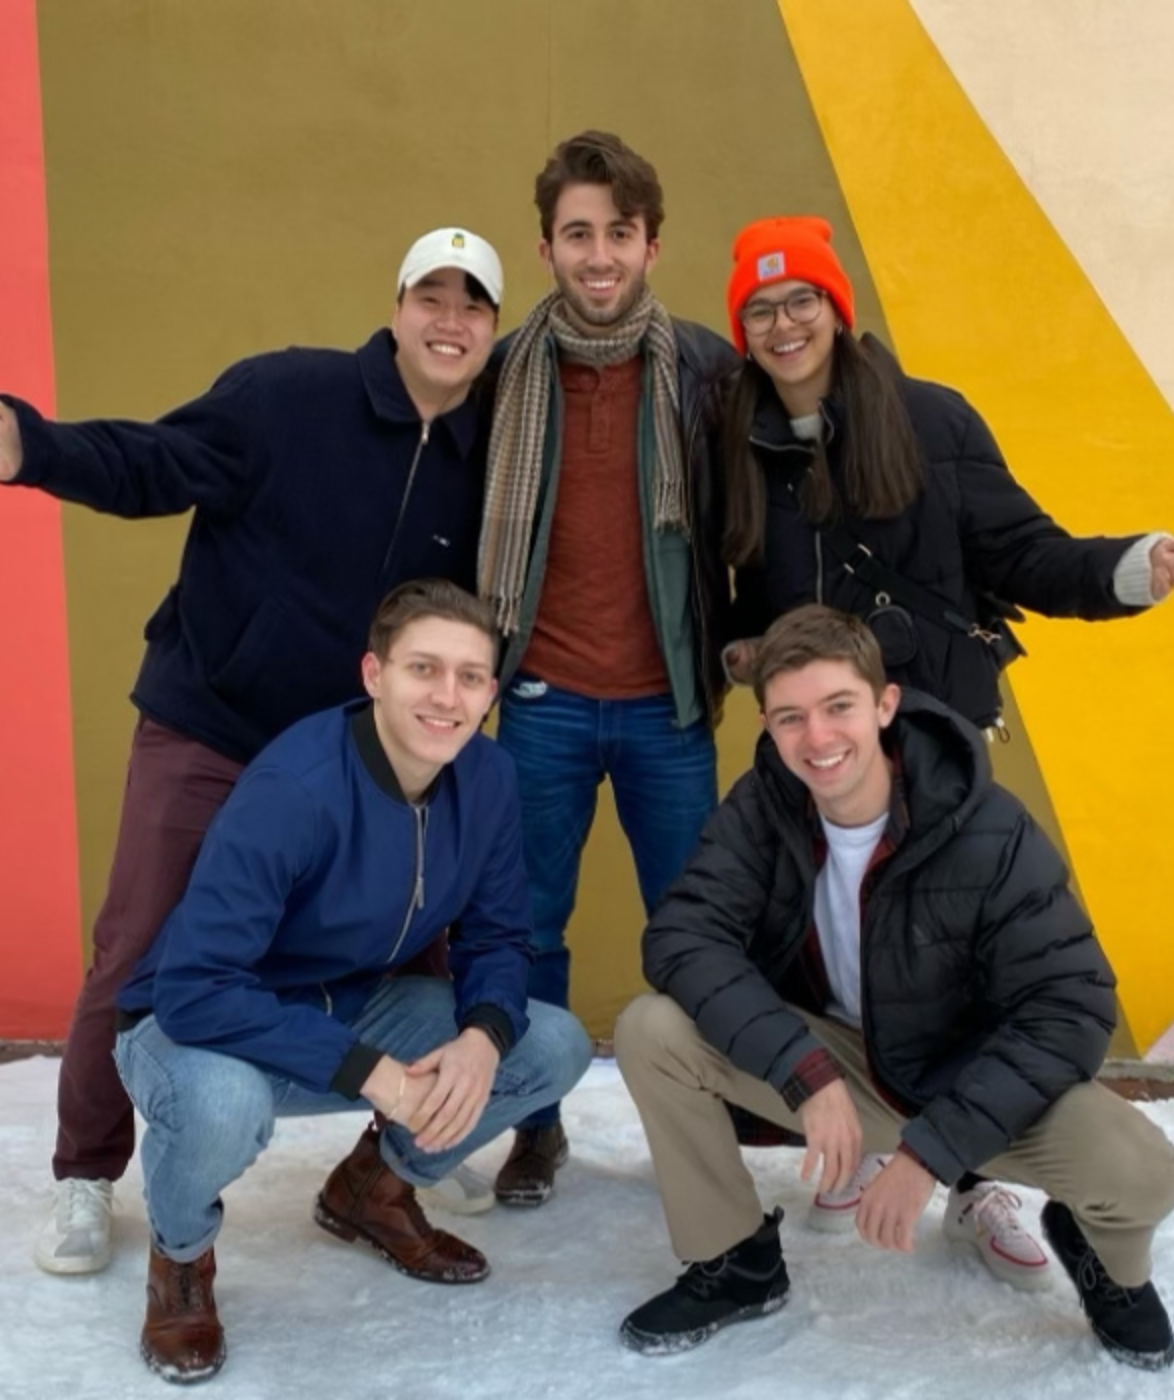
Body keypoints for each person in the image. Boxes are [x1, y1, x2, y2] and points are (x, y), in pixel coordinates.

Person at [0, 228, 506, 1274]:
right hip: (218, 722)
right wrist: (39, 449)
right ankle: (85, 1170)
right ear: (398, 305)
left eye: (475, 304)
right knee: (140, 940)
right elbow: (159, 458)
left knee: (418, 941)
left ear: (493, 330)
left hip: (358, 757)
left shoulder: (483, 462)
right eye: (434, 294)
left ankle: (402, 1152)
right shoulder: (288, 396)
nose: (451, 319)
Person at [714, 215, 1174, 1285]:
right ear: (740, 329)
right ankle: (865, 1136)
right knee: (832, 946)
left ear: (837, 309)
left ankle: (975, 1179)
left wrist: (1127, 568)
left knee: (963, 969)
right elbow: (739, 591)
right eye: (760, 307)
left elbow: (1022, 550)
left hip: (940, 740)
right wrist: (741, 646)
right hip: (824, 750)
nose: (784, 322)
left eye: (801, 298)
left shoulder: (928, 420)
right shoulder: (740, 448)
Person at [614, 606, 1174, 1371]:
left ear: (884, 706)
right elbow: (683, 937)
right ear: (768, 727)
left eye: (838, 707)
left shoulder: (987, 827)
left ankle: (1096, 1251)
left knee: (1141, 1171)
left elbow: (1072, 1004)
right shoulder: (763, 808)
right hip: (842, 1070)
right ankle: (734, 1262)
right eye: (791, 718)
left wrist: (933, 1154)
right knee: (653, 1030)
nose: (817, 740)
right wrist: (802, 1070)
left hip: (966, 1085)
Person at [111, 580, 593, 1383]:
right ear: (374, 674)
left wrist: (482, 1034)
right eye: (424, 669)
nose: (448, 697)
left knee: (547, 1046)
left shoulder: (489, 778)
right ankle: (181, 1259)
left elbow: (501, 936)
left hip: (351, 1005)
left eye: (472, 677)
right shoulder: (296, 788)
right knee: (222, 1105)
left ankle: (375, 1189)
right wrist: (370, 1072)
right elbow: (195, 986)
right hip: (194, 1027)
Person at [470, 131, 739, 1205]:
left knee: (693, 932)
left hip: (667, 708)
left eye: (618, 234)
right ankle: (537, 1126)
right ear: (545, 246)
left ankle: (696, 1137)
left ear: (652, 245)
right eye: (577, 233)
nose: (598, 255)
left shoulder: (707, 371)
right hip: (537, 699)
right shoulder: (503, 374)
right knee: (528, 925)